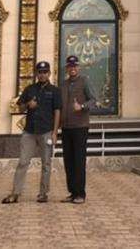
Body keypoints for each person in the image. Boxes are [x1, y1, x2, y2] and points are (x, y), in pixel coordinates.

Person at [3, 60, 60, 204]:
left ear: (49, 73)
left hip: (46, 131)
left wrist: (55, 132)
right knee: (23, 162)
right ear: (36, 74)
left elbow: (57, 111)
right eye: (40, 72)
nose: (42, 75)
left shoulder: (54, 91)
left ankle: (43, 193)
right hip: (29, 132)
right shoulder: (29, 89)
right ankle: (15, 193)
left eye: (45, 72)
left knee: (46, 163)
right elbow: (20, 108)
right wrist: (29, 104)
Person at [59, 54, 97, 204]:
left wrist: (81, 107)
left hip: (80, 127)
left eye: (75, 66)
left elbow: (94, 100)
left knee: (79, 160)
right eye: (70, 66)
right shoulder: (63, 84)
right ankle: (72, 192)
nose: (72, 68)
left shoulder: (84, 81)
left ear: (78, 67)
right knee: (68, 160)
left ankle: (80, 193)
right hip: (66, 127)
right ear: (67, 68)